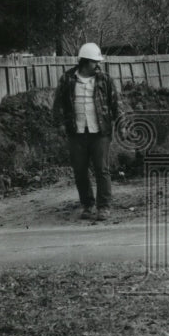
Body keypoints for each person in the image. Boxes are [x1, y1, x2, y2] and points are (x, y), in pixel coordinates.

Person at [52, 43, 126, 221]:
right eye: (94, 61)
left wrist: (122, 124)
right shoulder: (68, 79)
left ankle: (104, 207)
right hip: (76, 132)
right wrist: (60, 125)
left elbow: (117, 103)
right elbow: (58, 104)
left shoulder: (104, 79)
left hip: (100, 132)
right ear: (85, 61)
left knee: (102, 169)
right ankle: (87, 205)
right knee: (80, 171)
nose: (97, 65)